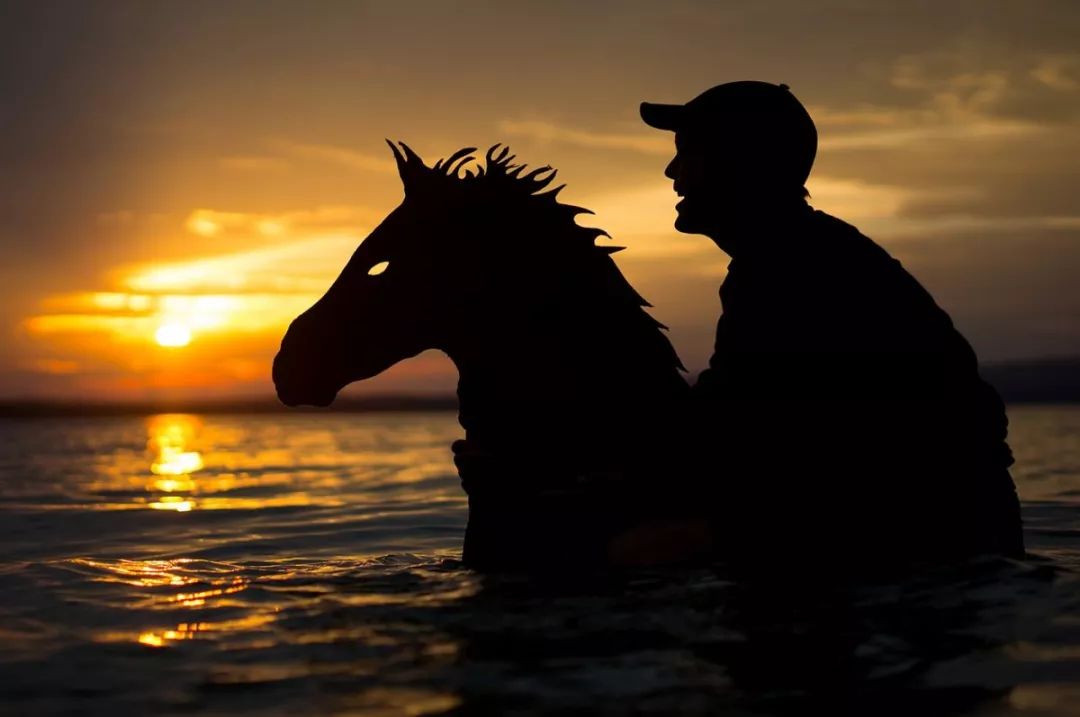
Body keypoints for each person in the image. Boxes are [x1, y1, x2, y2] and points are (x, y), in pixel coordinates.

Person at [639, 81, 1024, 562]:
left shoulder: (792, 265)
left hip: (913, 539)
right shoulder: (796, 254)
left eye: (687, 153)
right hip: (946, 533)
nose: (672, 171)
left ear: (735, 163)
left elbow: (740, 432)